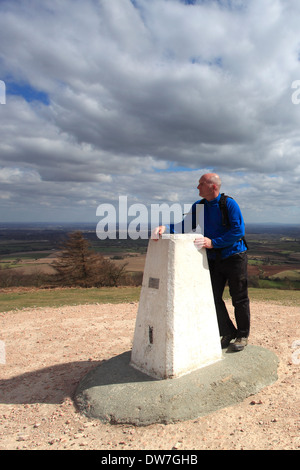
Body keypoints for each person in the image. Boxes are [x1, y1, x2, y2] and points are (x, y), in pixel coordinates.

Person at [153, 173, 250, 352]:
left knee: (239, 297)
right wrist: (165, 227)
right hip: (214, 258)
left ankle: (242, 335)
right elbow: (183, 226)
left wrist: (213, 243)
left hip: (235, 256)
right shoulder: (199, 207)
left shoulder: (229, 204)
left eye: (201, 184)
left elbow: (238, 230)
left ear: (213, 186)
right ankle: (227, 332)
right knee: (212, 297)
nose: (197, 187)